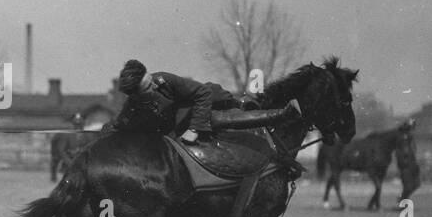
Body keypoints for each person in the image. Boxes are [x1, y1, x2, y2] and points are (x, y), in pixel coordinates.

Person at [113, 59, 298, 142]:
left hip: (210, 100)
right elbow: (120, 125)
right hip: (183, 117)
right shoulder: (133, 105)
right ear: (136, 95)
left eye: (150, 80)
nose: (153, 85)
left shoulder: (164, 79)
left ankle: (282, 114)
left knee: (223, 120)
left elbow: (202, 93)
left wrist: (194, 129)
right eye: (147, 88)